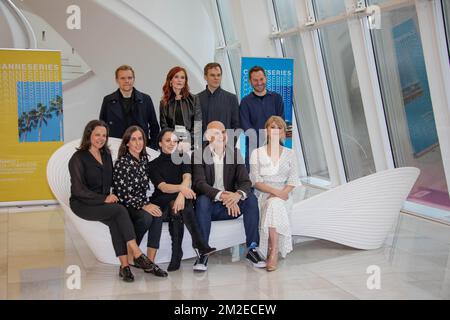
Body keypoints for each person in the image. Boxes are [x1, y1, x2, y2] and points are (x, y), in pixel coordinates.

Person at [68, 120, 156, 282]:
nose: (101, 138)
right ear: (89, 135)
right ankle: (137, 254)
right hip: (83, 204)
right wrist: (105, 198)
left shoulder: (106, 154)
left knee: (117, 218)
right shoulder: (78, 157)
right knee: (119, 210)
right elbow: (78, 191)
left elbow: (113, 182)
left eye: (104, 135)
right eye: (97, 135)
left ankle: (124, 267)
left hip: (103, 203)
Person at [193, 121, 266, 271]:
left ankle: (252, 249)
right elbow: (199, 184)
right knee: (202, 201)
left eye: (223, 132)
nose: (221, 136)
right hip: (210, 208)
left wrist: (237, 195)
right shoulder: (198, 154)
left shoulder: (235, 153)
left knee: (251, 198)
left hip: (232, 208)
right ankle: (203, 252)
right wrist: (223, 196)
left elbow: (245, 182)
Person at [147, 128, 216, 272]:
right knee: (175, 206)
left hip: (180, 201)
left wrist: (181, 195)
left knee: (177, 209)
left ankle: (177, 254)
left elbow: (187, 178)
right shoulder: (152, 165)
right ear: (160, 143)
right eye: (167, 140)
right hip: (162, 201)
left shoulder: (182, 156)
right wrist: (182, 190)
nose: (172, 144)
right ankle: (200, 245)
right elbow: (163, 187)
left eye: (174, 141)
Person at [113, 125, 168, 277]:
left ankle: (149, 263)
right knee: (146, 216)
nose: (138, 143)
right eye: (133, 139)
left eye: (140, 139)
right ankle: (135, 255)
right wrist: (144, 205)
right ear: (127, 143)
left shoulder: (144, 160)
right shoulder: (122, 163)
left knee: (157, 214)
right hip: (126, 206)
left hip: (141, 203)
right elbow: (123, 195)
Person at [250, 116, 300, 271]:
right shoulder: (257, 153)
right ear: (267, 131)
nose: (276, 130)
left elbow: (292, 180)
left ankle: (272, 251)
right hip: (264, 193)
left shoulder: (290, 153)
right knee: (273, 202)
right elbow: (256, 181)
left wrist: (280, 194)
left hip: (284, 195)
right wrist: (274, 192)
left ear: (284, 132)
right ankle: (274, 252)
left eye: (279, 128)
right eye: (272, 127)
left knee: (275, 203)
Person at [99, 65, 160, 149]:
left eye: (129, 78)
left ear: (134, 79)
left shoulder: (146, 99)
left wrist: (153, 147)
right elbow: (102, 127)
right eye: (122, 78)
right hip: (116, 148)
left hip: (141, 148)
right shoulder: (108, 100)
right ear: (117, 80)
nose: (126, 81)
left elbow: (154, 126)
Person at [239, 66, 285, 166]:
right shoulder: (245, 102)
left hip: (276, 146)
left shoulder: (277, 98)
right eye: (255, 80)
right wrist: (262, 142)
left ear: (266, 78)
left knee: (277, 177)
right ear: (250, 81)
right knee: (254, 179)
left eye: (261, 79)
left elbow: (281, 122)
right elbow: (245, 125)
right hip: (254, 148)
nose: (259, 83)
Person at [159, 66, 202, 151]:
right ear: (170, 81)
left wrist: (189, 142)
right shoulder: (164, 103)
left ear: (185, 81)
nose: (180, 80)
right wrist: (174, 142)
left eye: (182, 77)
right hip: (172, 146)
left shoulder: (194, 99)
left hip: (191, 145)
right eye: (176, 77)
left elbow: (198, 124)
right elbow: (164, 126)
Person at [197, 62, 240, 134]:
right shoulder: (197, 99)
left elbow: (236, 125)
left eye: (218, 75)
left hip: (225, 144)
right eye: (212, 75)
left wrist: (229, 143)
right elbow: (195, 126)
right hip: (203, 144)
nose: (216, 78)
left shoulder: (231, 98)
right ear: (205, 77)